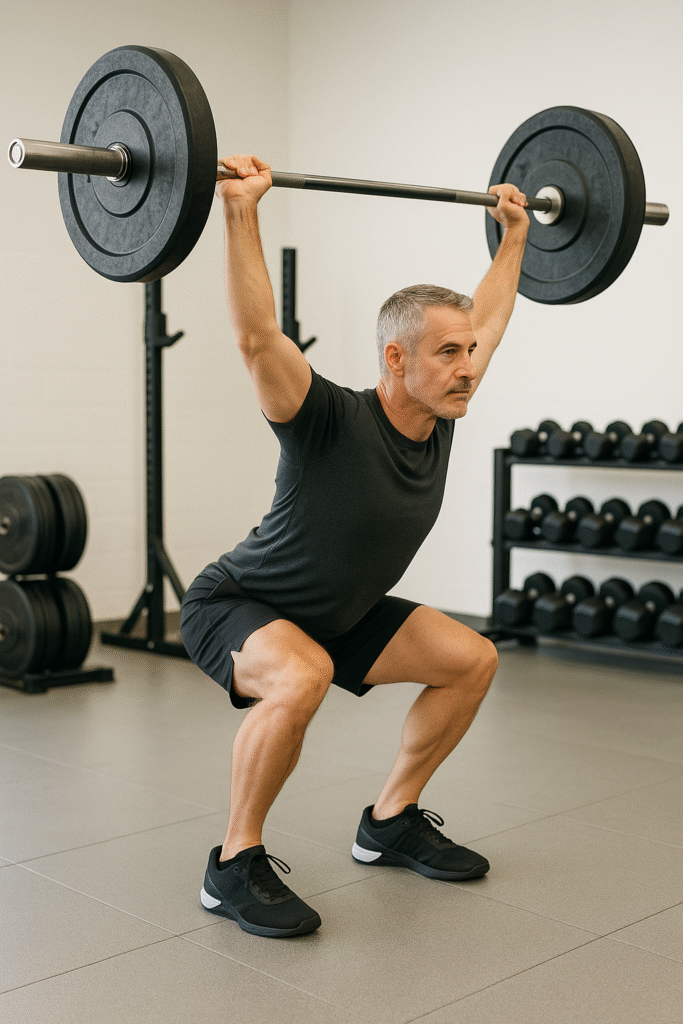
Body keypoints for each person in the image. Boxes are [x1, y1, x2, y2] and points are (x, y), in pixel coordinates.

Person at [180, 154, 529, 938]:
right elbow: (254, 337)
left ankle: (389, 820)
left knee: (471, 660)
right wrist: (241, 210)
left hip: (343, 613)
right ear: (394, 360)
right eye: (449, 353)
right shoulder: (324, 418)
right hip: (240, 603)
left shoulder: (440, 413)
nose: (469, 367)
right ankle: (233, 864)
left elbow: (493, 314)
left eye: (469, 353)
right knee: (299, 677)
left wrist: (514, 238)